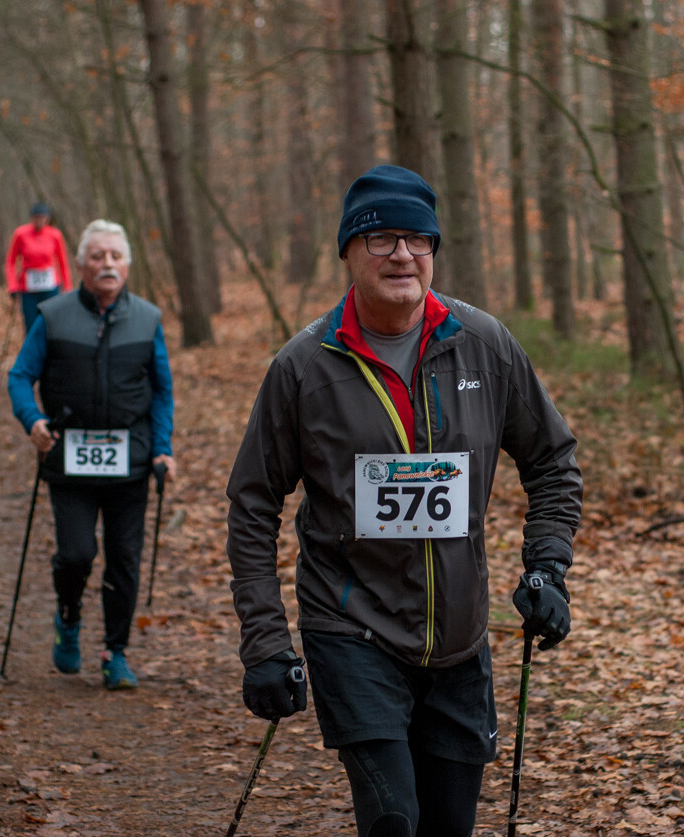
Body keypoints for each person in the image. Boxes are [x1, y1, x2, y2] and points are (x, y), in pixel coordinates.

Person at [224, 165, 582, 836]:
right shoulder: (303, 367)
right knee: (392, 819)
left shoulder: (485, 345)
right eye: (381, 238)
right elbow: (252, 503)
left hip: (458, 639)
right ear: (349, 254)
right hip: (350, 627)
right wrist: (265, 641)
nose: (401, 254)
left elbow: (553, 461)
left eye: (417, 238)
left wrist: (547, 567)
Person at [7, 219, 176, 691]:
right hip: (68, 458)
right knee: (77, 555)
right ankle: (69, 614)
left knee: (124, 559)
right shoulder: (54, 316)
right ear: (79, 264)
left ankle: (114, 653)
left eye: (115, 257)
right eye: (97, 256)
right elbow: (19, 376)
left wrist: (163, 450)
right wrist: (33, 420)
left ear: (127, 265)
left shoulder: (147, 319)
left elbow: (162, 391)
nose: (107, 264)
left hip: (132, 462)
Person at [5, 202, 73, 332]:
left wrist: (67, 286)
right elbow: (10, 261)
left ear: (47, 218)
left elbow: (63, 262)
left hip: (51, 287)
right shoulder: (20, 234)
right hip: (28, 289)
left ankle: (51, 352)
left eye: (42, 218)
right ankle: (33, 351)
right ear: (31, 218)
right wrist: (12, 286)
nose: (39, 221)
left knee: (51, 323)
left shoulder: (55, 235)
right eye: (36, 218)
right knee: (31, 325)